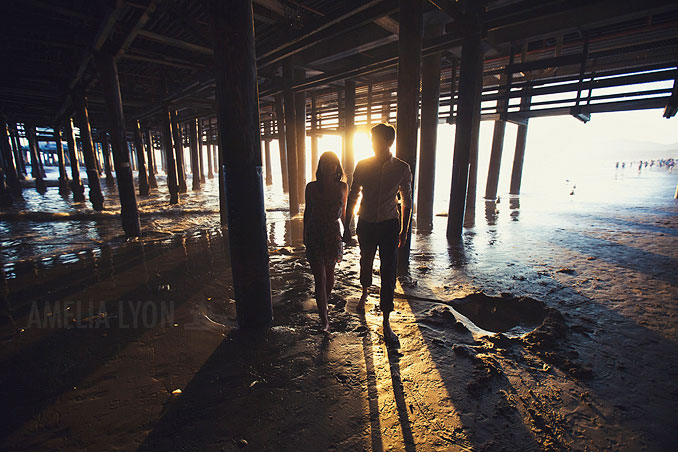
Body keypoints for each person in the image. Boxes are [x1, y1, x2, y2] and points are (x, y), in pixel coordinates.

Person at [343, 123, 412, 347]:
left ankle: (386, 320)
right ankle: (364, 291)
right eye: (370, 139)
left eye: (375, 139)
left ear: (387, 142)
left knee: (389, 271)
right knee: (366, 261)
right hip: (366, 223)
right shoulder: (362, 165)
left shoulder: (402, 168)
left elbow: (407, 201)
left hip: (390, 224)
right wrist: (347, 225)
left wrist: (404, 229)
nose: (372, 143)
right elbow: (353, 197)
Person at [303, 152, 348, 333]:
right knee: (319, 278)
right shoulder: (311, 187)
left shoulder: (343, 187)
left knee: (329, 277)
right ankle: (325, 321)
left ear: (337, 166)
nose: (329, 166)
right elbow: (307, 211)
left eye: (332, 163)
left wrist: (348, 230)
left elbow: (343, 211)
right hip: (315, 233)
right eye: (325, 163)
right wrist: (304, 233)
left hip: (332, 234)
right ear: (320, 166)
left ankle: (324, 304)